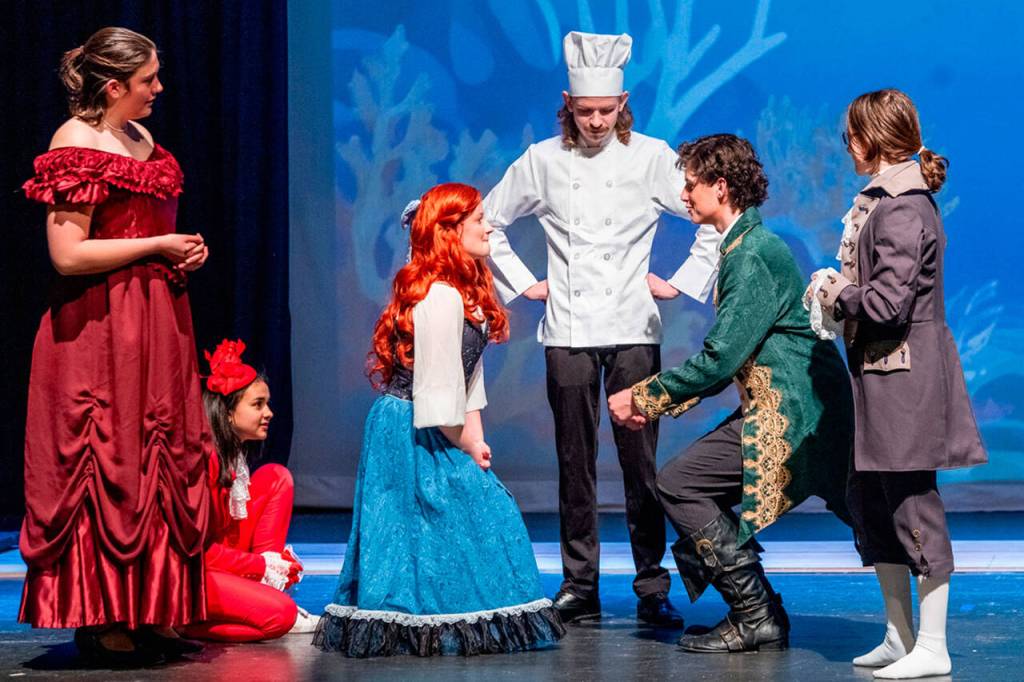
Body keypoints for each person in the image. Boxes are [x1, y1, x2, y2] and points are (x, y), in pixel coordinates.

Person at [484, 31, 722, 626]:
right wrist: (521, 282)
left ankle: (650, 585)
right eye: (585, 111)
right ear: (567, 103)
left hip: (634, 330)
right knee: (574, 460)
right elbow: (486, 221)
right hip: (567, 328)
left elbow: (713, 219)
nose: (595, 121)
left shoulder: (650, 156)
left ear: (623, 104)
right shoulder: (541, 160)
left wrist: (681, 281)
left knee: (641, 462)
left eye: (606, 111)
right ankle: (579, 585)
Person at [608, 134, 854, 653]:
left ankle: (755, 613)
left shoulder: (751, 255)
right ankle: (758, 610)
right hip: (783, 402)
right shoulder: (743, 246)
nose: (685, 193)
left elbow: (721, 358)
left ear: (721, 187)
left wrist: (645, 397)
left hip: (790, 409)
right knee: (688, 484)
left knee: (678, 483)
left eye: (692, 183)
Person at [19, 27, 212, 665]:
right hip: (98, 328)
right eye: (148, 80)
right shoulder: (74, 142)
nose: (159, 89)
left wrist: (178, 248)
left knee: (154, 448)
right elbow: (68, 254)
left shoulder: (141, 140)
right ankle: (101, 615)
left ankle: (151, 605)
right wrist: (157, 245)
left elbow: (145, 227)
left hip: (157, 320)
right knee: (104, 455)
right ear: (113, 86)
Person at [315, 183, 565, 657]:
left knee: (475, 515)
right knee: (418, 528)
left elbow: (468, 380)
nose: (489, 227)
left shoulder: (463, 293)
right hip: (411, 423)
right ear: (450, 232)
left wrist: (476, 437)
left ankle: (446, 620)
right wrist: (461, 441)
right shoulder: (439, 297)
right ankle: (414, 624)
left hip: (439, 418)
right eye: (478, 221)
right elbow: (435, 389)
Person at [812, 89, 986, 679]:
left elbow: (887, 304)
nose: (848, 148)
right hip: (880, 377)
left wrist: (836, 293)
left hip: (904, 379)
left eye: (851, 137)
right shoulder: (883, 204)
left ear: (870, 140)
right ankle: (900, 633)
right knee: (872, 499)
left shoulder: (903, 208)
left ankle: (933, 646)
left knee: (914, 502)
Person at [179, 339, 318, 642]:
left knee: (276, 476)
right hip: (194, 575)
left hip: (221, 566)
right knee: (281, 615)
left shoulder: (233, 458)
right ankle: (186, 626)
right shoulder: (208, 462)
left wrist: (270, 567)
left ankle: (262, 595)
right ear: (228, 413)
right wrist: (261, 566)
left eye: (266, 403)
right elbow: (201, 553)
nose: (269, 413)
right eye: (257, 405)